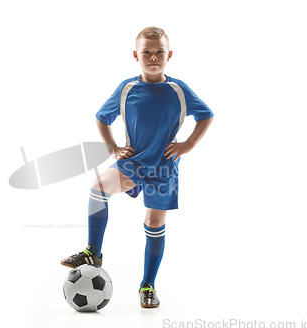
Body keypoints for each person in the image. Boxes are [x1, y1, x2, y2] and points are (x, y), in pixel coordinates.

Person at [60, 26, 214, 308]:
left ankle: (148, 285)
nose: (153, 57)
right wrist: (113, 148)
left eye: (159, 53)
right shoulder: (127, 88)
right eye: (147, 52)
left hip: (164, 169)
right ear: (136, 55)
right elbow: (102, 118)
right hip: (133, 162)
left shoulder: (179, 90)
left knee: (154, 223)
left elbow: (206, 115)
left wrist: (188, 144)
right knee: (98, 187)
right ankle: (93, 251)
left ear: (169, 55)